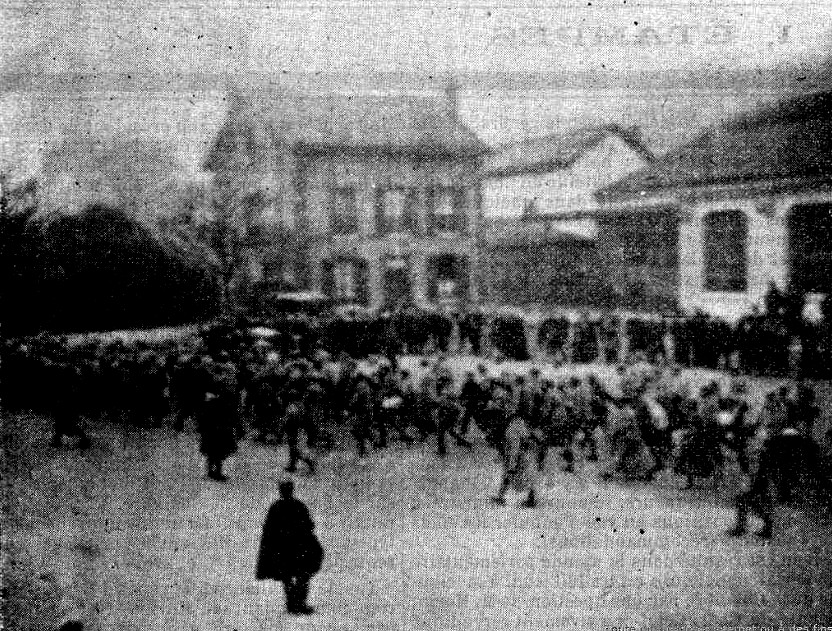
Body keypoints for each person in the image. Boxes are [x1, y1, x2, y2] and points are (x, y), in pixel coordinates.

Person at [256, 479, 324, 615]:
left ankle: (294, 604)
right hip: (295, 549)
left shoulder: (277, 507)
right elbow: (309, 525)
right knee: (300, 577)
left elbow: (268, 530)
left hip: (286, 549)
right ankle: (298, 603)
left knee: (291, 578)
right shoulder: (297, 506)